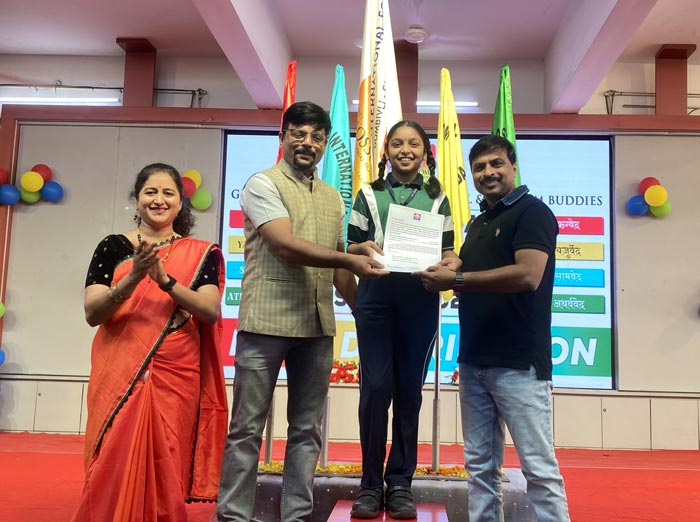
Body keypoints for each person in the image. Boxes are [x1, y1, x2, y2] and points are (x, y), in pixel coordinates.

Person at [216, 101, 387, 522]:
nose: (307, 143)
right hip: (266, 322)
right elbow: (285, 245)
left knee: (307, 430)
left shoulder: (332, 198)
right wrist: (348, 257)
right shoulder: (262, 184)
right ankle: (233, 515)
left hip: (317, 327)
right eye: (299, 134)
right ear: (283, 137)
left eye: (317, 137)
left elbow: (336, 265)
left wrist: (363, 310)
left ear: (325, 144)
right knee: (246, 429)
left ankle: (297, 514)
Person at [414, 134, 571, 522]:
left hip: (519, 364)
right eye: (479, 167)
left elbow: (528, 275)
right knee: (480, 470)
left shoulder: (533, 212)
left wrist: (458, 279)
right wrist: (451, 263)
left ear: (513, 166)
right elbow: (469, 270)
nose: (488, 173)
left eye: (496, 164)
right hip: (473, 362)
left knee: (539, 469)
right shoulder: (479, 221)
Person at [73, 163, 228, 522]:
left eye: (168, 193)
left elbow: (209, 310)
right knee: (110, 456)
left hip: (176, 374)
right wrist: (134, 278)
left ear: (180, 202)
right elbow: (93, 312)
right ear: (137, 198)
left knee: (166, 457)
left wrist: (165, 280)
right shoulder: (113, 246)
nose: (159, 200)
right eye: (151, 192)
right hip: (118, 371)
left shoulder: (201, 253)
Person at [347, 120, 460, 519]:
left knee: (409, 391)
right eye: (397, 143)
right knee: (376, 389)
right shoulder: (368, 193)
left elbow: (448, 252)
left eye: (413, 143)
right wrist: (361, 248)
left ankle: (400, 484)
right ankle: (369, 483)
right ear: (387, 152)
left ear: (426, 152)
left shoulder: (438, 198)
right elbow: (350, 246)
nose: (405, 150)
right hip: (375, 299)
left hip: (420, 300)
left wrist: (451, 264)